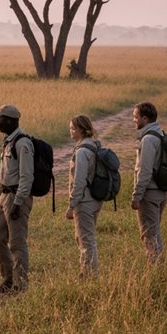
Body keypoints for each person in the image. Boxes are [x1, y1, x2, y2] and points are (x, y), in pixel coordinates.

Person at [0, 104, 33, 294]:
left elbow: (26, 176)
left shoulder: (23, 143)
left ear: (11, 121)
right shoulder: (7, 142)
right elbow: (2, 175)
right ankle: (7, 279)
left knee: (17, 243)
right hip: (4, 195)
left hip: (16, 196)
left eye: (1, 119)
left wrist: (19, 202)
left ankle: (20, 285)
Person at [132, 101, 167, 262]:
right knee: (154, 233)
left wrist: (137, 196)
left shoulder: (147, 140)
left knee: (150, 236)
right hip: (161, 192)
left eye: (135, 117)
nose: (134, 120)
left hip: (150, 193)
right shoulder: (160, 132)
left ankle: (156, 273)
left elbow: (145, 171)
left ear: (145, 118)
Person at [66, 115, 102, 277]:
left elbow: (79, 182)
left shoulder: (82, 152)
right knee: (84, 237)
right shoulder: (94, 146)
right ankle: (86, 272)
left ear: (81, 130)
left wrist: (71, 205)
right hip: (95, 199)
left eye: (73, 128)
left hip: (84, 201)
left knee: (86, 240)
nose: (71, 131)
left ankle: (89, 275)